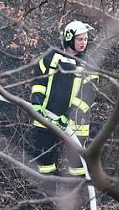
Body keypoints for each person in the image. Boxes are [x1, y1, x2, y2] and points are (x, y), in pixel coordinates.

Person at [28, 20, 99, 177]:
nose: (83, 43)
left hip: (74, 123)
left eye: (86, 39)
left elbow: (87, 96)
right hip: (46, 118)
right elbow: (39, 82)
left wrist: (68, 116)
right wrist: (37, 103)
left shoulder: (89, 65)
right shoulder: (50, 58)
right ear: (69, 39)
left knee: (77, 164)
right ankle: (49, 194)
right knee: (44, 159)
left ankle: (79, 197)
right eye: (80, 39)